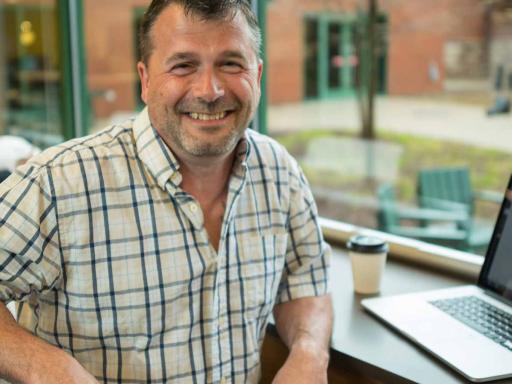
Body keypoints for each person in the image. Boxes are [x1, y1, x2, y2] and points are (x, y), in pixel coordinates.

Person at [0, 0, 333, 382]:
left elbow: (306, 279)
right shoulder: (59, 184)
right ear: (145, 80)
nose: (210, 90)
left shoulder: (280, 173)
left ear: (256, 75)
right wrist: (43, 367)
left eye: (230, 63)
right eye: (183, 65)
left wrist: (309, 352)